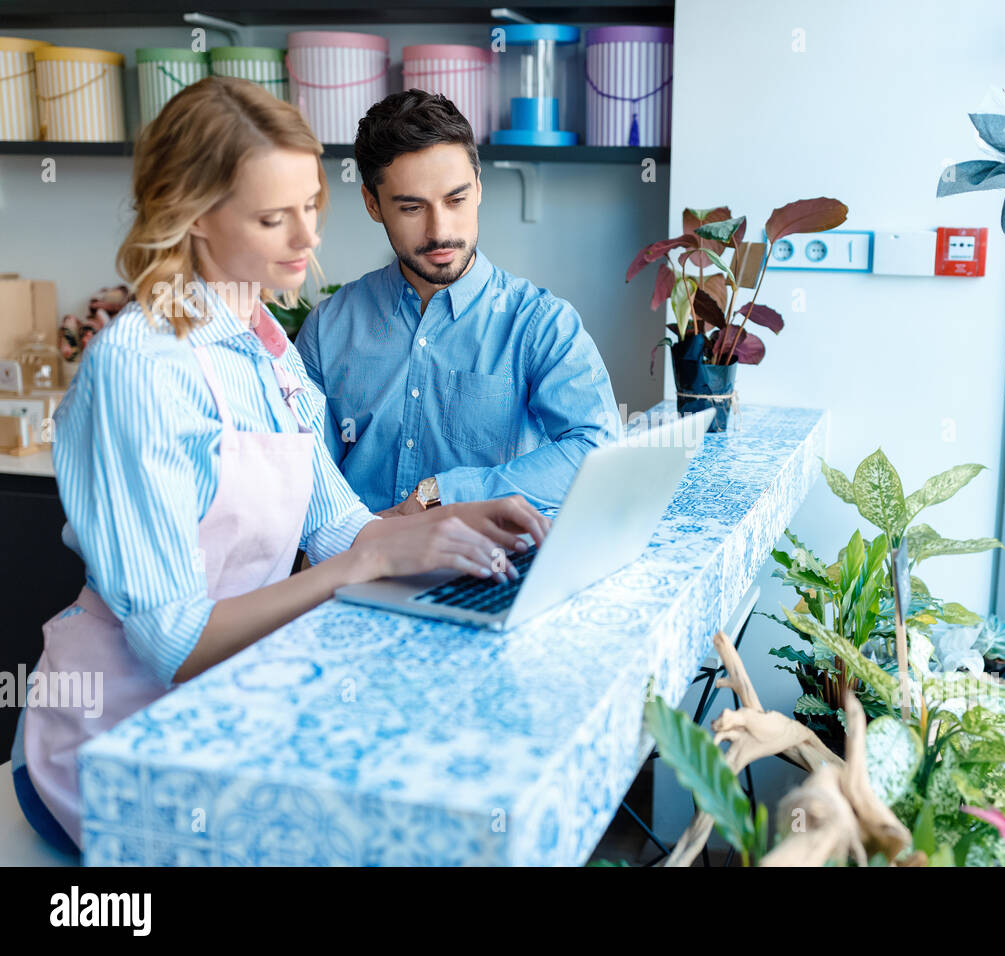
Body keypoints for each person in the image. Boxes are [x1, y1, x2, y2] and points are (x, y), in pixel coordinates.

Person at [8, 76, 550, 855]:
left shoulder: (266, 346)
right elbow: (175, 642)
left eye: (310, 209)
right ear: (192, 217)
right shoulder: (142, 366)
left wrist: (458, 519)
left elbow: (336, 527)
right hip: (115, 737)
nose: (307, 241)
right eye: (273, 218)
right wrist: (357, 567)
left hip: (227, 710)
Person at [296, 90, 622, 517]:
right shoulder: (327, 328)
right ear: (372, 204)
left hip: (490, 573)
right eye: (412, 207)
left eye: (456, 200)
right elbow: (301, 473)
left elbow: (597, 449)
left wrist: (443, 494)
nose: (440, 231)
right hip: (356, 568)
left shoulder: (541, 325)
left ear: (479, 188)